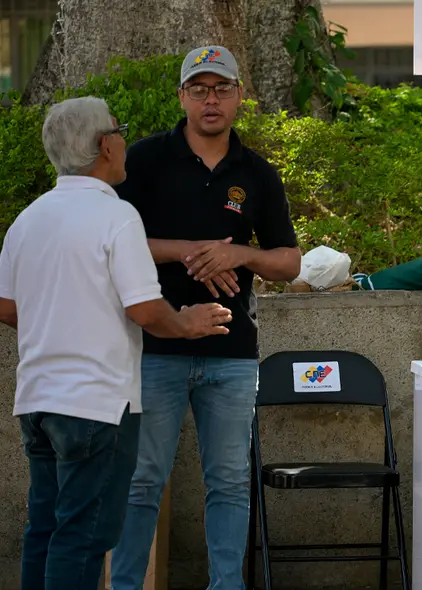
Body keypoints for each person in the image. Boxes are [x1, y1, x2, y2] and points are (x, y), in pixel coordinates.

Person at [0, 97, 232, 590]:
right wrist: (187, 321)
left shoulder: (28, 219)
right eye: (119, 130)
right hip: (96, 405)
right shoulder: (118, 217)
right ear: (105, 145)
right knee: (82, 536)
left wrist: (58, 326)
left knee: (44, 528)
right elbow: (146, 310)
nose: (124, 139)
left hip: (38, 400)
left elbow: (5, 306)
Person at [109, 46, 302, 590]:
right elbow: (117, 243)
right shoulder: (144, 161)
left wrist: (239, 255)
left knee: (230, 483)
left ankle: (226, 585)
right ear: (182, 97)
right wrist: (193, 250)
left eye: (221, 89)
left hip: (233, 353)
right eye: (199, 89)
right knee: (142, 480)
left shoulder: (258, 174)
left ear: (241, 96)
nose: (210, 99)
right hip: (155, 346)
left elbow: (288, 261)